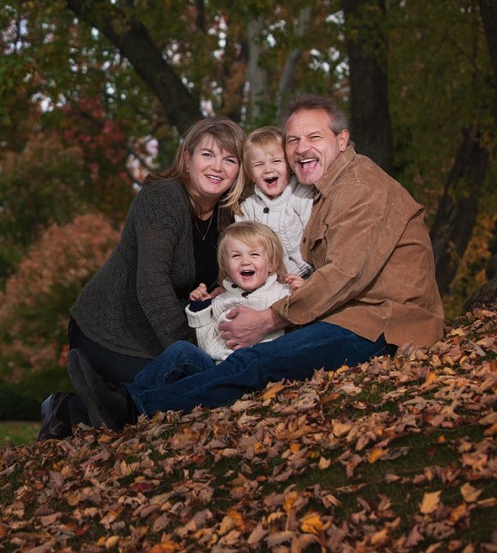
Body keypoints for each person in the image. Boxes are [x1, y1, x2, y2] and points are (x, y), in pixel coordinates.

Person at [69, 94, 446, 431]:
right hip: (113, 329)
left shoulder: (359, 189)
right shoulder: (325, 192)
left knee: (256, 361)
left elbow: (344, 276)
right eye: (293, 140)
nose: (301, 148)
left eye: (314, 137)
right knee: (217, 359)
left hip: (381, 322)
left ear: (342, 140)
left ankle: (132, 407)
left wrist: (270, 317)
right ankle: (99, 405)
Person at [38, 116, 246, 441]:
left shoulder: (227, 217)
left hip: (157, 335)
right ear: (187, 158)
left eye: (229, 159)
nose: (217, 166)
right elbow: (152, 285)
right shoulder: (163, 198)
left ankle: (76, 409)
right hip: (108, 330)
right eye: (208, 154)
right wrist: (192, 349)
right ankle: (66, 408)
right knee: (176, 394)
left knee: (179, 397)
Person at [187, 221, 301, 362]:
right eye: (236, 256)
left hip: (269, 364)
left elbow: (304, 322)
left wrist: (302, 292)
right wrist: (201, 309)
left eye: (254, 254)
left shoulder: (282, 293)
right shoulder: (220, 301)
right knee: (180, 350)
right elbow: (208, 346)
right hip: (227, 368)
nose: (245, 261)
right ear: (226, 267)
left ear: (271, 264)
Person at [236, 126, 314, 278]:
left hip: (304, 274)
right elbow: (241, 249)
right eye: (259, 165)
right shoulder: (248, 208)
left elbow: (314, 242)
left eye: (276, 161)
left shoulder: (301, 196)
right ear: (250, 174)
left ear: (290, 166)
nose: (268, 169)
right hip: (262, 280)